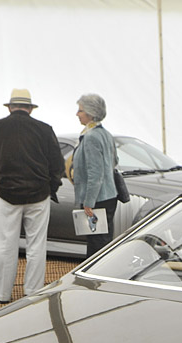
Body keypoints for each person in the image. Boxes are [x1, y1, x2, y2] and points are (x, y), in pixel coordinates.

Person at [0, 88, 63, 303]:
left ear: (10, 107)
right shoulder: (44, 129)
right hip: (39, 194)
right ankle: (33, 293)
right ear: (30, 109)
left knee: (5, 246)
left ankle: (2, 294)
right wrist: (51, 188)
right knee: (36, 247)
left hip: (5, 194)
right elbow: (57, 164)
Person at [71, 93, 118, 256]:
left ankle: (96, 278)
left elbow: (95, 173)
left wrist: (88, 202)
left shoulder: (90, 137)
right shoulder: (106, 134)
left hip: (97, 199)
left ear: (90, 113)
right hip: (109, 195)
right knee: (104, 241)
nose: (77, 114)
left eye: (80, 110)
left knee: (96, 246)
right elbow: (114, 161)